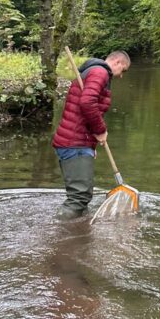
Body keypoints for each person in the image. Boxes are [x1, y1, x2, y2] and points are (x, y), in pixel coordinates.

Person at [52, 50, 130, 218]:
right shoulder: (100, 72)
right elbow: (87, 103)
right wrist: (100, 130)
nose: (121, 76)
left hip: (79, 141)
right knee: (79, 197)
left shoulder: (95, 71)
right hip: (74, 142)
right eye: (123, 70)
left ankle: (80, 235)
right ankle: (58, 235)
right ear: (117, 62)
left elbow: (86, 109)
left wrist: (90, 145)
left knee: (82, 198)